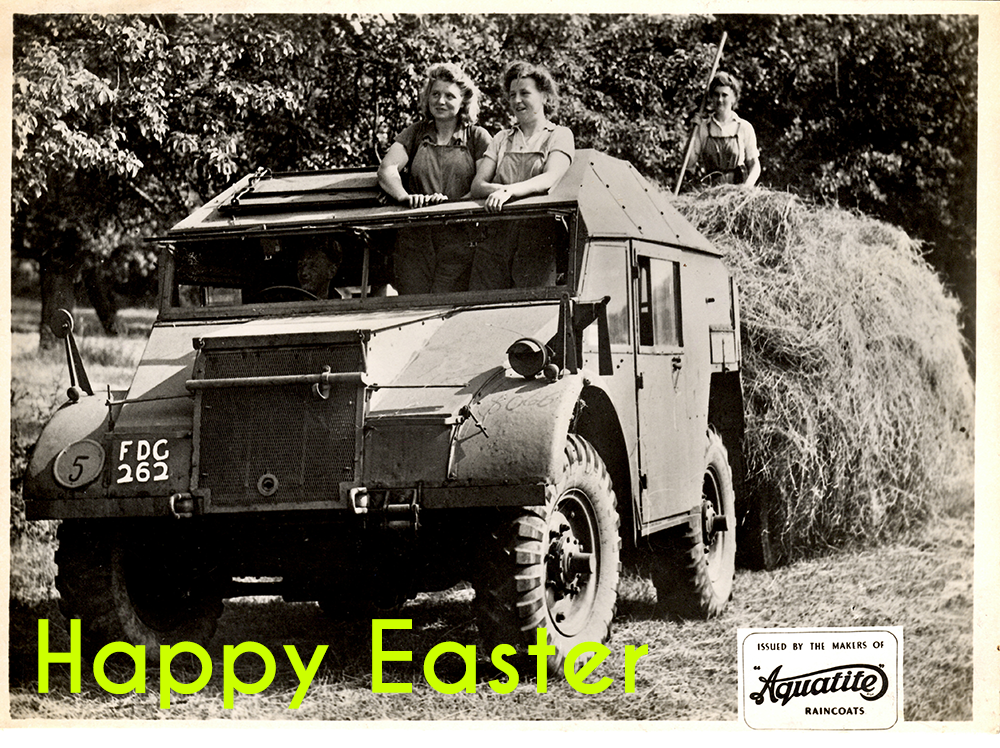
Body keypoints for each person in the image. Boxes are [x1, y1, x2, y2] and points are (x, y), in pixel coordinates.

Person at [378, 63, 492, 294]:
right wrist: (406, 197)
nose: (441, 101)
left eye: (450, 96)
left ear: (463, 101)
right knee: (413, 308)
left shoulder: (476, 137)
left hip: (459, 240)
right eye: (435, 94)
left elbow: (483, 182)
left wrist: (451, 206)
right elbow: (387, 169)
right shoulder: (416, 133)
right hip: (415, 239)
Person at [469, 61, 574, 290]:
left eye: (525, 93)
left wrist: (509, 191)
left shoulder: (559, 135)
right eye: (512, 95)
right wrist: (500, 192)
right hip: (495, 237)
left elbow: (549, 179)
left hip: (537, 240)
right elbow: (478, 185)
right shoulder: (501, 138)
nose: (517, 101)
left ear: (545, 97)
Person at [687, 71, 761, 188]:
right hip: (711, 193)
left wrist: (747, 187)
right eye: (716, 94)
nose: (720, 100)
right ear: (711, 97)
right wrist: (692, 132)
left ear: (733, 98)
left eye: (724, 95)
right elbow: (689, 165)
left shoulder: (743, 127)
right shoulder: (703, 128)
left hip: (738, 193)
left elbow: (754, 165)